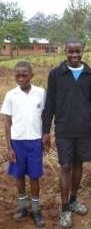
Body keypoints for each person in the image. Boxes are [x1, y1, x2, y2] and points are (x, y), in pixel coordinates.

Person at [42, 38, 91, 228]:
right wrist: (46, 131)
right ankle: (65, 208)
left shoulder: (90, 74)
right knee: (66, 166)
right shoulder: (56, 74)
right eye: (70, 52)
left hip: (83, 131)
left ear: (82, 51)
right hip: (64, 130)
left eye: (77, 51)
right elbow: (49, 103)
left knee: (78, 165)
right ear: (65, 52)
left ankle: (74, 199)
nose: (74, 55)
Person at [1, 62, 46, 227]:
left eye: (24, 74)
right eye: (17, 75)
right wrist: (9, 147)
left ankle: (35, 209)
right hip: (17, 143)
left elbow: (44, 117)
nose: (21, 78)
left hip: (35, 141)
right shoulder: (11, 95)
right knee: (19, 175)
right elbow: (7, 123)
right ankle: (23, 206)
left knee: (34, 176)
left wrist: (46, 136)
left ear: (31, 75)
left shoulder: (40, 93)